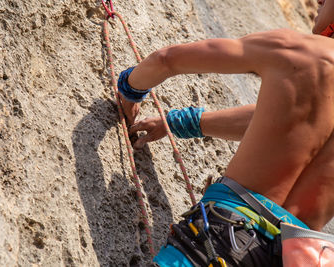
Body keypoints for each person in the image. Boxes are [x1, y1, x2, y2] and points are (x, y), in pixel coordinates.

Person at [117, 0, 334, 266]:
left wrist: (130, 88)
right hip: (295, 256)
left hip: (223, 237)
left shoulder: (298, 50)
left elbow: (166, 60)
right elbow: (286, 126)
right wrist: (179, 122)